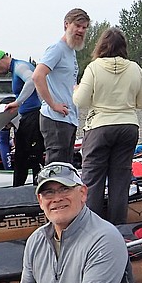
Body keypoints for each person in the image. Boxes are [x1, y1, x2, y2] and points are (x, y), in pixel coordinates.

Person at [0, 163, 139, 283]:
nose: (57, 198)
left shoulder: (105, 238)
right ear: (40, 201)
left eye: (64, 189)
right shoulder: (36, 241)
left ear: (83, 193)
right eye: (48, 193)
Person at [73, 27, 142, 224]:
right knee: (120, 181)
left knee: (93, 180)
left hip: (99, 126)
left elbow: (81, 101)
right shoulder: (135, 68)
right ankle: (118, 228)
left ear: (101, 46)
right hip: (127, 126)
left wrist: (76, 90)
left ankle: (91, 228)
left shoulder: (94, 68)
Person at [0, 48, 46, 187]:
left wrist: (17, 102)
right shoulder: (15, 69)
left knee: (34, 158)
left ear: (0, 60)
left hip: (34, 117)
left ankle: (37, 193)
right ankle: (17, 192)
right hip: (25, 118)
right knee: (20, 159)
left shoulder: (20, 66)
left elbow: (32, 81)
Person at [33, 8, 90, 165]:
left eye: (84, 27)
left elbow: (68, 82)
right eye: (77, 26)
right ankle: (47, 190)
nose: (81, 30)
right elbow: (38, 76)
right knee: (56, 167)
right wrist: (53, 104)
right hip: (55, 119)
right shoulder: (56, 49)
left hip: (69, 118)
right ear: (66, 25)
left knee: (66, 165)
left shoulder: (71, 51)